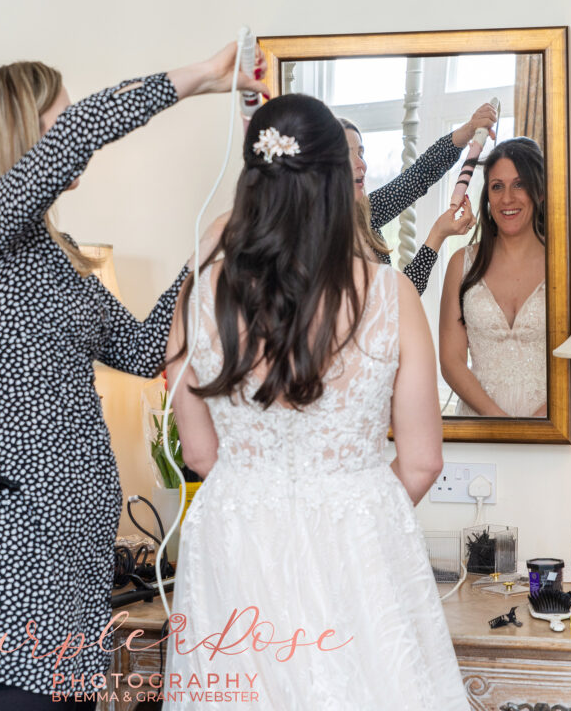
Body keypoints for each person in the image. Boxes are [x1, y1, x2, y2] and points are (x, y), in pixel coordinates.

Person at [0, 43, 267, 710]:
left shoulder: (57, 259)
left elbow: (146, 350)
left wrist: (204, 251)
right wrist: (203, 75)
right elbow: (90, 126)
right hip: (9, 568)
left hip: (75, 569)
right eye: (57, 125)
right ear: (18, 137)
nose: (73, 142)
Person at [166, 93, 469, 709]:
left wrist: (208, 244)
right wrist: (353, 514)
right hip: (357, 547)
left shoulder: (201, 297)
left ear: (253, 184)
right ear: (340, 183)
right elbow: (422, 463)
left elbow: (197, 453)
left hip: (237, 543)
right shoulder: (389, 295)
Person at [439, 137, 547, 418]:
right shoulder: (461, 264)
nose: (507, 198)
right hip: (479, 429)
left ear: (541, 192)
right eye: (497, 186)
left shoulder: (563, 263)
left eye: (520, 184)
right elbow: (451, 361)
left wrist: (541, 427)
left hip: (552, 431)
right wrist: (500, 423)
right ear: (487, 195)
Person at [341, 103, 496, 294]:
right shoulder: (317, 241)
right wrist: (437, 234)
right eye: (348, 154)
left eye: (361, 153)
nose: (361, 164)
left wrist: (470, 129)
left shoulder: (367, 213)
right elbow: (400, 301)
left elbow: (419, 175)